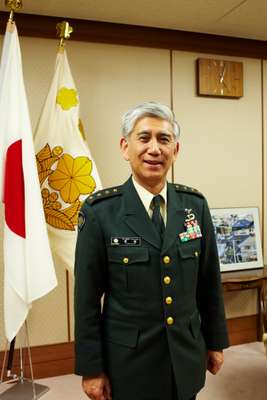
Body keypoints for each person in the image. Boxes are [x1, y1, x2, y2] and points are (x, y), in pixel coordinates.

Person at [74, 102, 229, 400]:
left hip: (185, 353)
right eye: (144, 138)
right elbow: (87, 300)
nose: (154, 149)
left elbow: (209, 281)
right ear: (125, 147)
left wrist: (215, 342)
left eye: (164, 139)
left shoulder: (194, 205)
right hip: (129, 362)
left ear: (176, 149)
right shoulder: (100, 212)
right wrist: (91, 368)